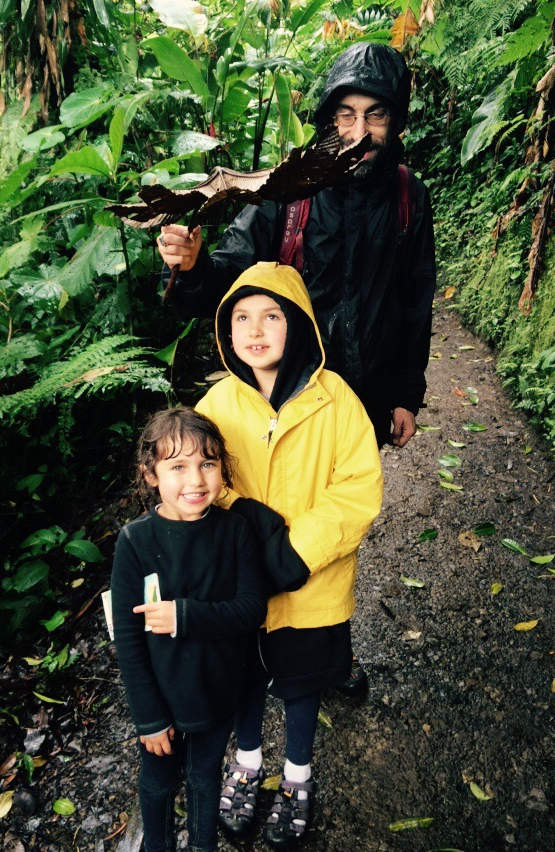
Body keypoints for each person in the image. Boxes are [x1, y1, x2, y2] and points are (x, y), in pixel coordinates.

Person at [157, 40, 436, 694]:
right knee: (261, 513)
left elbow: (415, 301)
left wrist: (406, 394)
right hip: (278, 394)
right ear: (327, 118)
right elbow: (232, 274)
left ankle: (324, 658)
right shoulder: (291, 190)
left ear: (394, 121)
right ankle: (255, 642)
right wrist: (191, 267)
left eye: (375, 115)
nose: (360, 131)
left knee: (333, 527)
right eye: (346, 114)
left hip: (358, 400)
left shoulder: (407, 197)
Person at [195, 261, 383, 847]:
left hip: (313, 584)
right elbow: (200, 480)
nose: (255, 330)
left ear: (298, 323)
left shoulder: (337, 401)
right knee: (246, 676)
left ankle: (297, 777)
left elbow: (357, 487)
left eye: (272, 316)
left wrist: (299, 551)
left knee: (302, 682)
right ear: (226, 330)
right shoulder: (217, 405)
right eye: (241, 318)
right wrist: (244, 516)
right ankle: (248, 763)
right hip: (242, 582)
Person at [111, 407, 267, 852]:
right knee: (158, 781)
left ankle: (203, 845)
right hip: (162, 698)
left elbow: (251, 609)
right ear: (151, 475)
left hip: (216, 693)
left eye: (208, 463)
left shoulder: (235, 531)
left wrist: (184, 616)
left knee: (203, 777)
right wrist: (149, 718)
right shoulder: (135, 541)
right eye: (178, 466)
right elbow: (129, 641)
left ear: (223, 469)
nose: (196, 480)